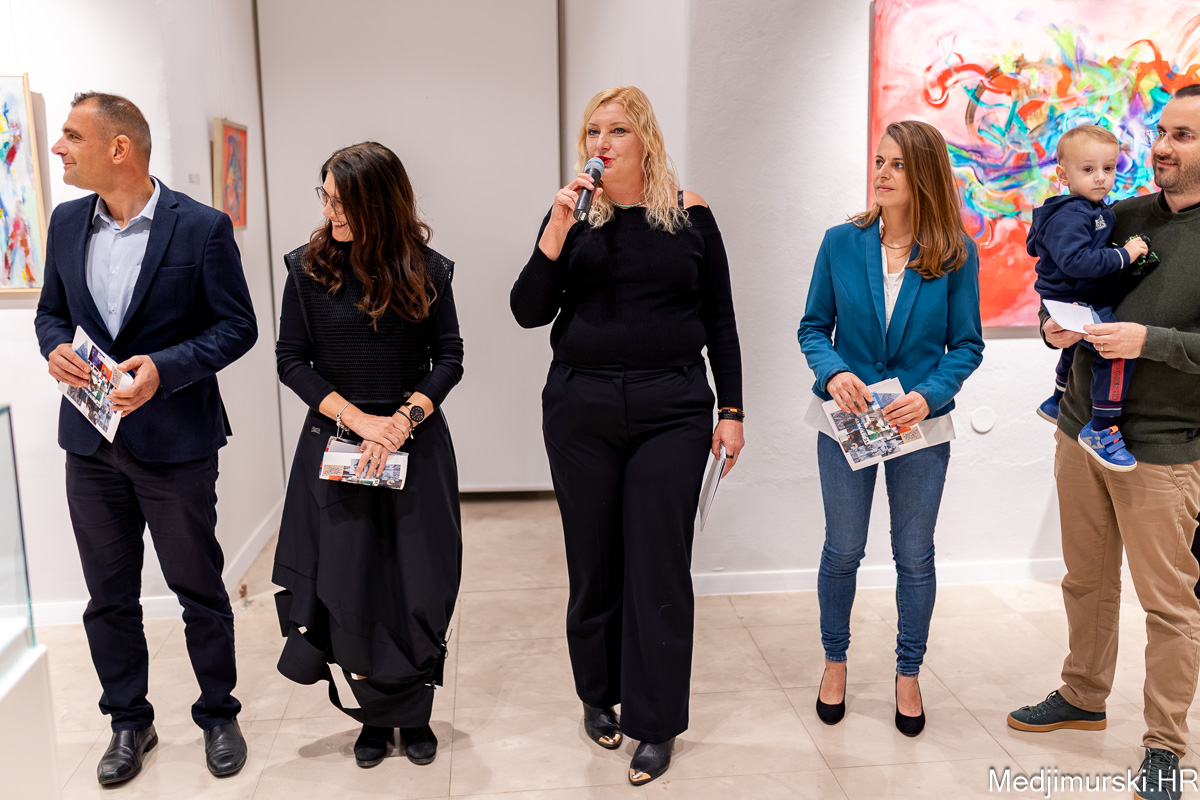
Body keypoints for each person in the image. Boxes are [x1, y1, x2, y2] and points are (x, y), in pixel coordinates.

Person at [510, 86, 744, 786]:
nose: (601, 143)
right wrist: (556, 227)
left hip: (671, 406)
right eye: (592, 131)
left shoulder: (691, 215)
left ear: (646, 139)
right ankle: (597, 693)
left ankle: (657, 721)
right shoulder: (574, 216)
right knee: (594, 561)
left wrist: (732, 410)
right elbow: (527, 310)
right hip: (580, 406)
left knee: (659, 566)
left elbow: (722, 319)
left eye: (617, 130)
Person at [34, 92, 257, 784]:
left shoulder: (203, 227)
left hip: (177, 444)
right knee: (108, 596)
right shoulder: (66, 222)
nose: (58, 148)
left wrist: (165, 368)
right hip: (90, 446)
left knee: (198, 589)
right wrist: (54, 349)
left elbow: (238, 327)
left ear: (119, 148)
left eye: (72, 136)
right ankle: (129, 722)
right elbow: (51, 313)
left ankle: (219, 715)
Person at [1007, 85, 1200, 800]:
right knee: (1085, 580)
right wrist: (1051, 329)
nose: (1161, 146)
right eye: (1162, 131)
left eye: (1182, 135)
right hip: (1080, 428)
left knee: (1169, 607)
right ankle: (1084, 694)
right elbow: (1068, 286)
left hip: (1164, 447)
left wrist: (1152, 341)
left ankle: (1164, 744)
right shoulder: (1121, 214)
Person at [273, 141, 463, 769]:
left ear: (377, 203)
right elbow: (291, 361)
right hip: (337, 445)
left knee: (419, 585)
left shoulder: (429, 271)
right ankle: (375, 719)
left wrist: (401, 422)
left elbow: (450, 357)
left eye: (341, 200)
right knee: (350, 587)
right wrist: (359, 422)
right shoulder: (306, 269)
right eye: (325, 197)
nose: (329, 210)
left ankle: (415, 710)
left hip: (415, 447)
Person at [797, 120, 984, 737]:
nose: (882, 172)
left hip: (918, 426)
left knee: (914, 555)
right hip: (846, 422)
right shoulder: (840, 242)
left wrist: (929, 396)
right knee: (843, 549)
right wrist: (833, 374)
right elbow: (813, 328)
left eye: (898, 164)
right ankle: (834, 663)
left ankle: (908, 673)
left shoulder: (955, 252)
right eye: (879, 160)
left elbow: (967, 344)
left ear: (924, 174)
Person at [1028, 124, 1149, 470]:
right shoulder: (1071, 214)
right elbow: (1075, 261)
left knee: (1075, 345)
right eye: (1088, 169)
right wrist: (1124, 255)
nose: (1100, 178)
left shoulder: (1091, 208)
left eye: (1108, 168)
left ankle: (1057, 399)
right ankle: (1101, 428)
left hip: (1072, 298)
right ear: (1063, 175)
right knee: (1116, 352)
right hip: (1076, 300)